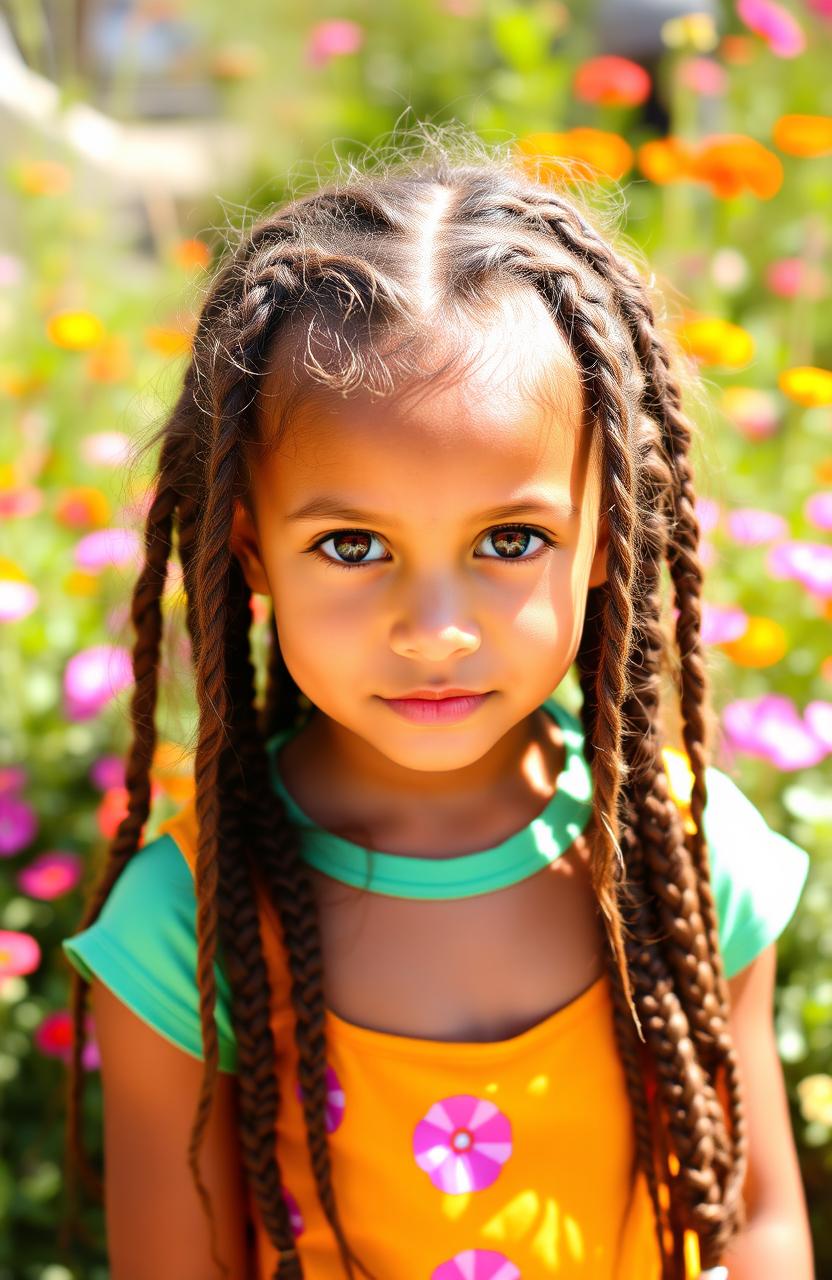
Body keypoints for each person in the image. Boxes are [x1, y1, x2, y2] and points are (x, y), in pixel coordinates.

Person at [61, 126, 814, 1280]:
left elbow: (757, 1219)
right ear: (251, 551)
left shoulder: (682, 859)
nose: (437, 628)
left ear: (610, 531)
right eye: (353, 544)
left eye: (510, 539)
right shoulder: (188, 924)